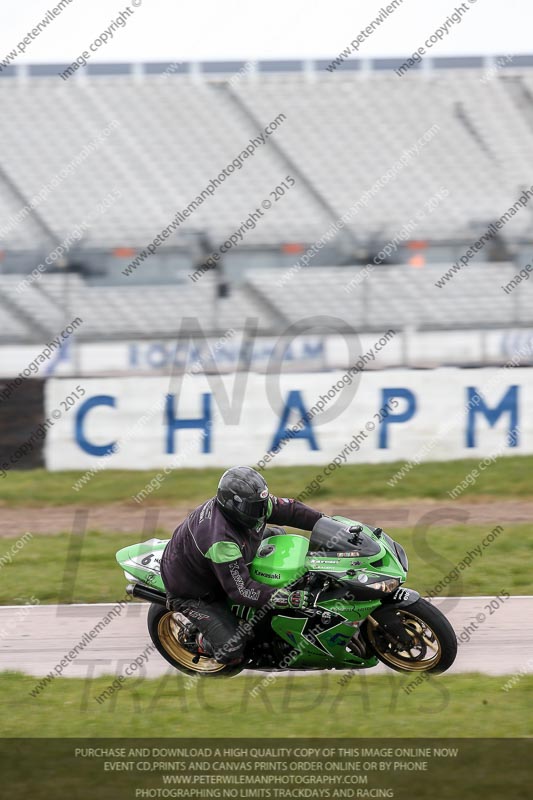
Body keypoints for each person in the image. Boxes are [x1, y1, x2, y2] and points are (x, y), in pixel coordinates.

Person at [160, 466, 323, 665]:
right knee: (232, 650)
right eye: (254, 508)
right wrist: (287, 598)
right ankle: (199, 639)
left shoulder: (255, 505)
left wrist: (326, 523)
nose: (262, 512)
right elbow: (242, 591)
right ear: (232, 505)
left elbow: (291, 510)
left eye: (262, 505)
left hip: (230, 553)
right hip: (195, 591)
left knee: (279, 535)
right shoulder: (220, 541)